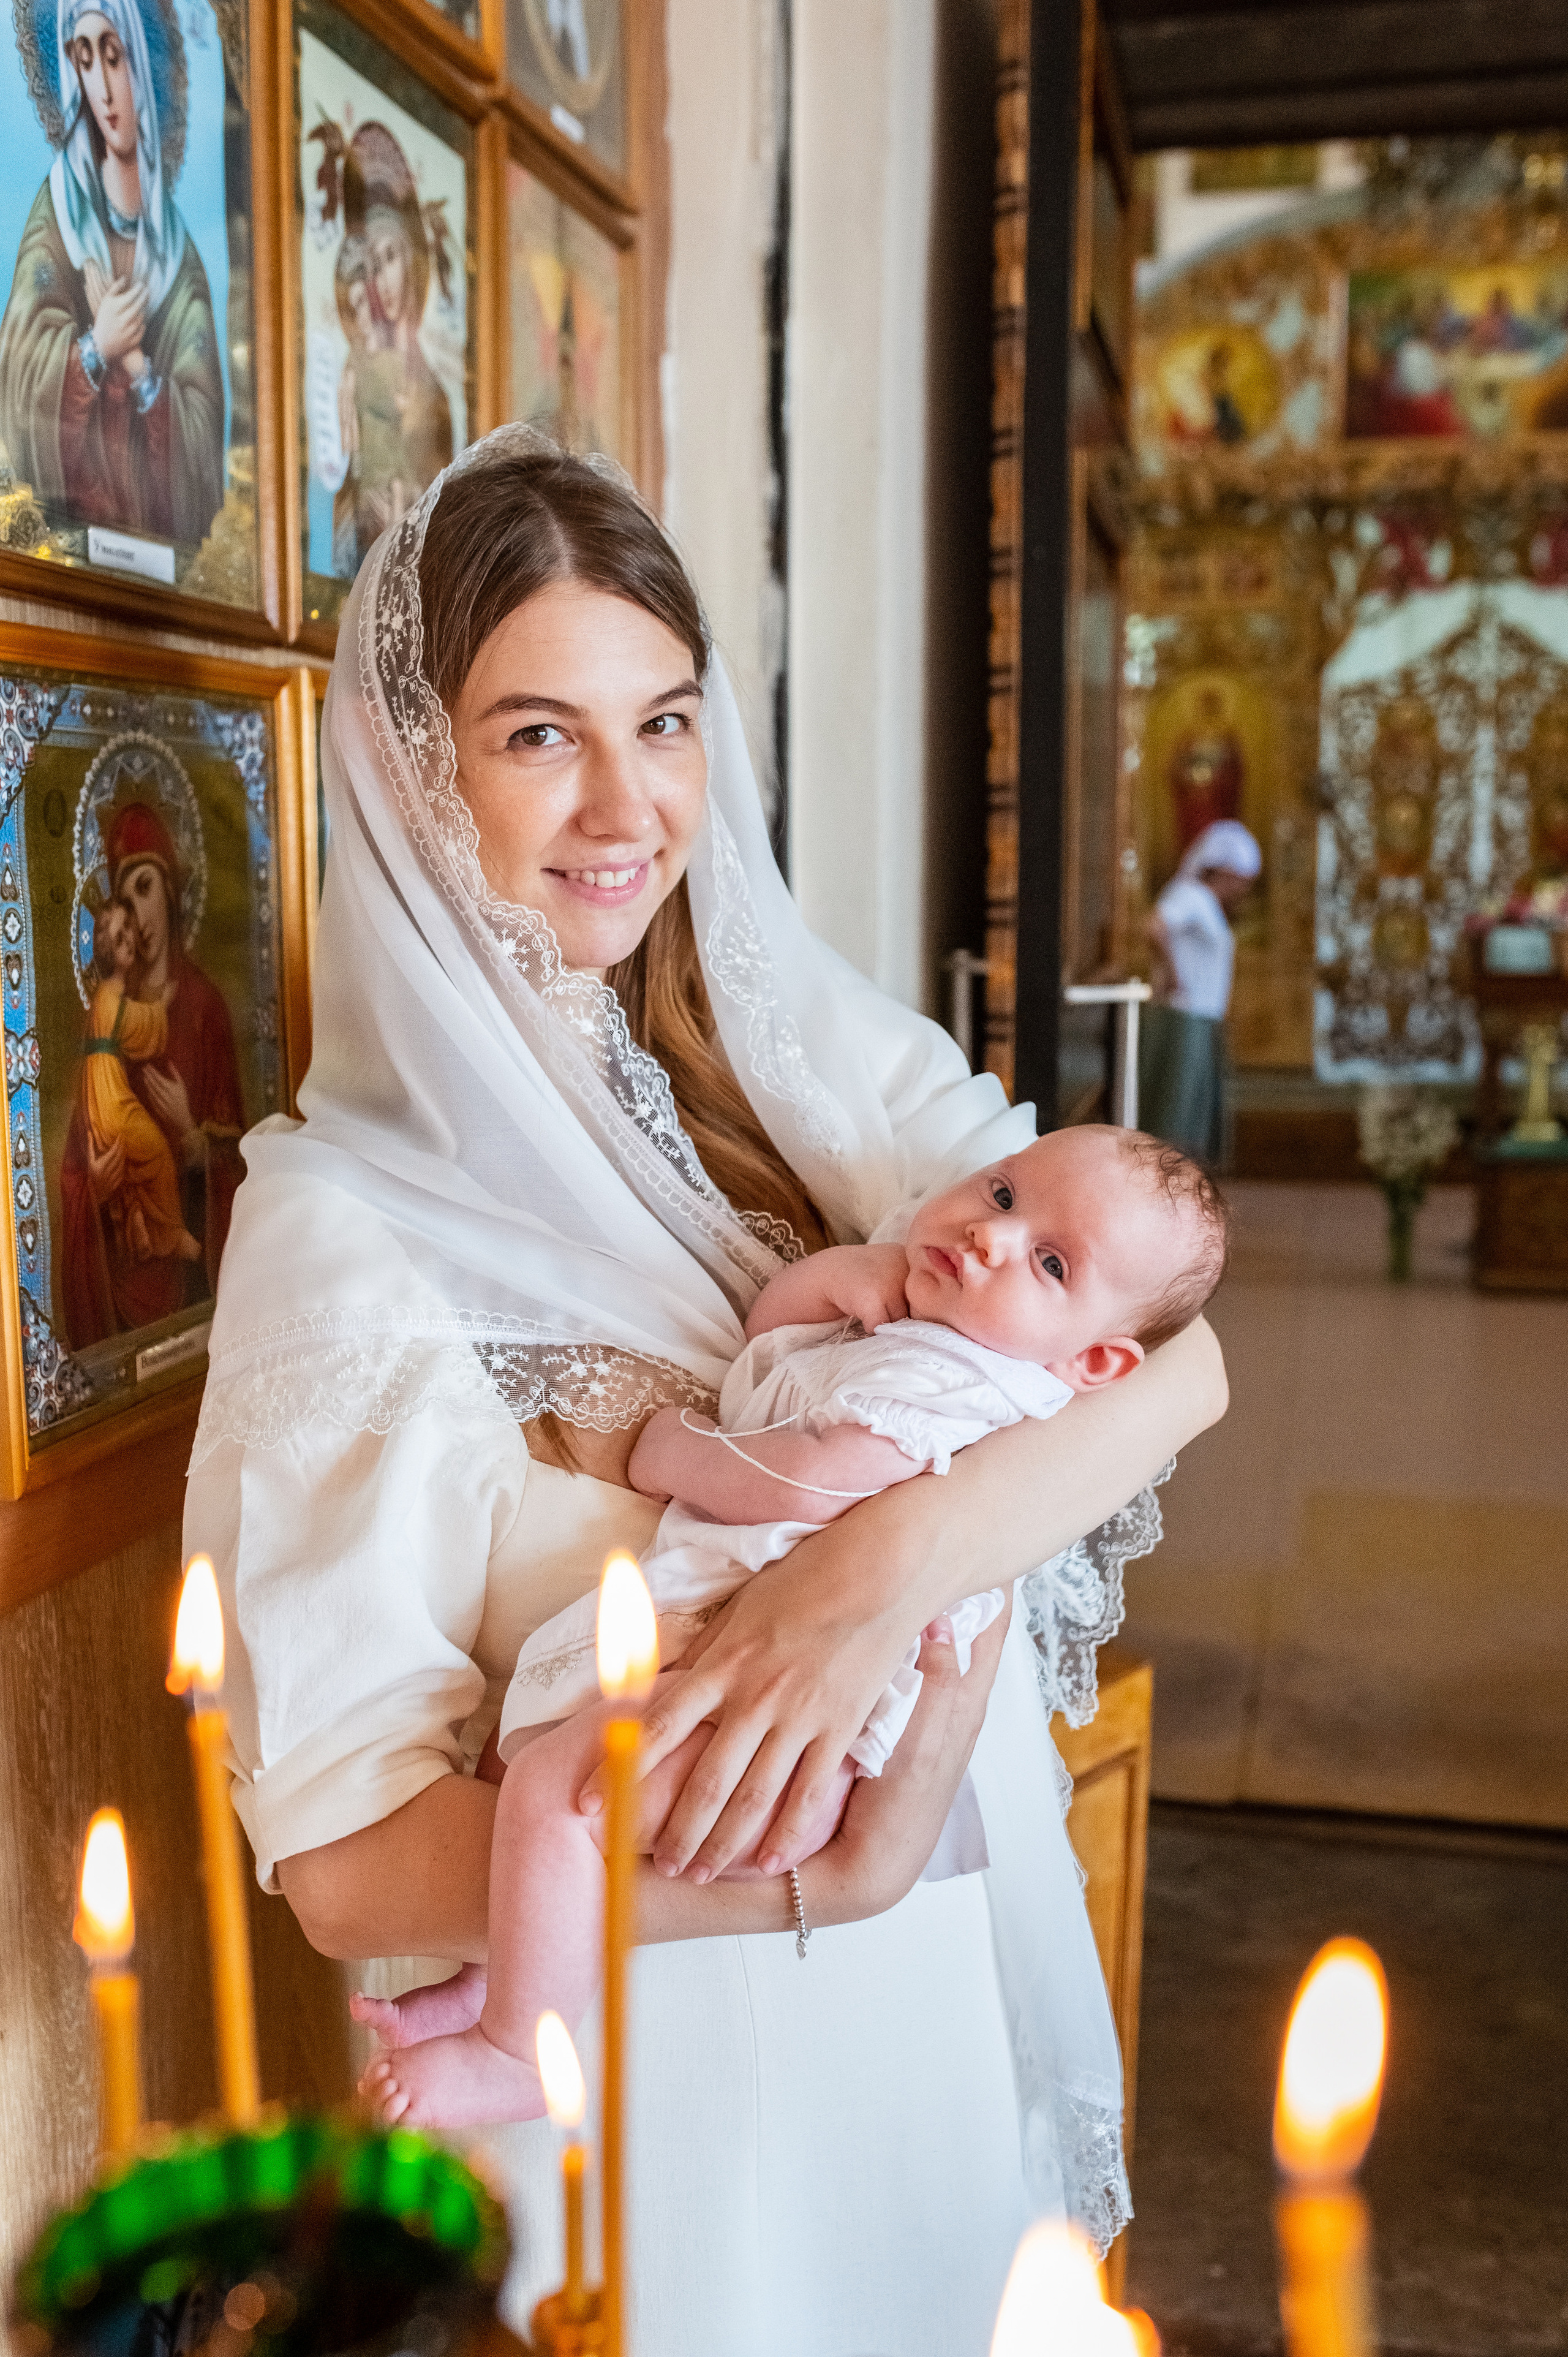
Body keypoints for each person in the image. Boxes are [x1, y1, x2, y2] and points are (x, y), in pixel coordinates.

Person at [184, 431, 1227, 2353]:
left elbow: (1174, 1351)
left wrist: (879, 1565)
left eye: (661, 721)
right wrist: (836, 1871)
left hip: (908, 2028)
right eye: (533, 735)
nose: (625, 805)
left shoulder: (793, 1062)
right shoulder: (335, 1237)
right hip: (647, 2096)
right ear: (412, 771)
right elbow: (336, 1867)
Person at [355, 1125, 1229, 2129]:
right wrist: (833, 1281)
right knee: (519, 1782)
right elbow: (767, 1363)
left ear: (1098, 1359)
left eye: (1049, 1261)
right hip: (734, 1660)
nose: (995, 1236)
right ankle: (500, 1981)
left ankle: (520, 2049)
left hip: (788, 1734)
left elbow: (805, 1477)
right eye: (999, 1193)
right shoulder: (935, 1322)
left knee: (559, 1795)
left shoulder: (970, 1386)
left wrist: (667, 1451)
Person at [0, 0, 224, 548]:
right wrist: (96, 347)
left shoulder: (178, 255)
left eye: (114, 56)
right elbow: (18, 392)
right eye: (84, 58)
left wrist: (138, 368)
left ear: (143, 63)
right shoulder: (59, 217)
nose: (102, 88)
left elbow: (204, 452)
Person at [61, 801, 244, 1344]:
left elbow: (246, 1159)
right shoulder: (105, 1013)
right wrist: (94, 1184)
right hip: (121, 1286)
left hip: (195, 1297)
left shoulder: (205, 1007)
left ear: (170, 893)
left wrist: (193, 1137)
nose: (137, 915)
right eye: (124, 897)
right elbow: (78, 1160)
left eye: (145, 888)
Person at [78, 896, 202, 1268]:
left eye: (128, 932)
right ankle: (171, 1236)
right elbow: (134, 1025)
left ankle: (139, 1224)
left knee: (139, 1164)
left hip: (109, 1090)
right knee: (158, 1154)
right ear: (106, 953)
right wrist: (162, 1006)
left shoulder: (110, 997)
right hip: (110, 1100)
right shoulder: (107, 998)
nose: (130, 940)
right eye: (120, 939)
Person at [1139, 818, 1262, 1167]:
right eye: (1240, 880)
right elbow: (1156, 926)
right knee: (1173, 1108)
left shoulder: (1206, 903)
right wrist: (1173, 976)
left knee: (1190, 1107)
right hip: (1182, 1018)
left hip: (1201, 1017)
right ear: (1223, 872)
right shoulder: (1190, 895)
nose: (1242, 889)